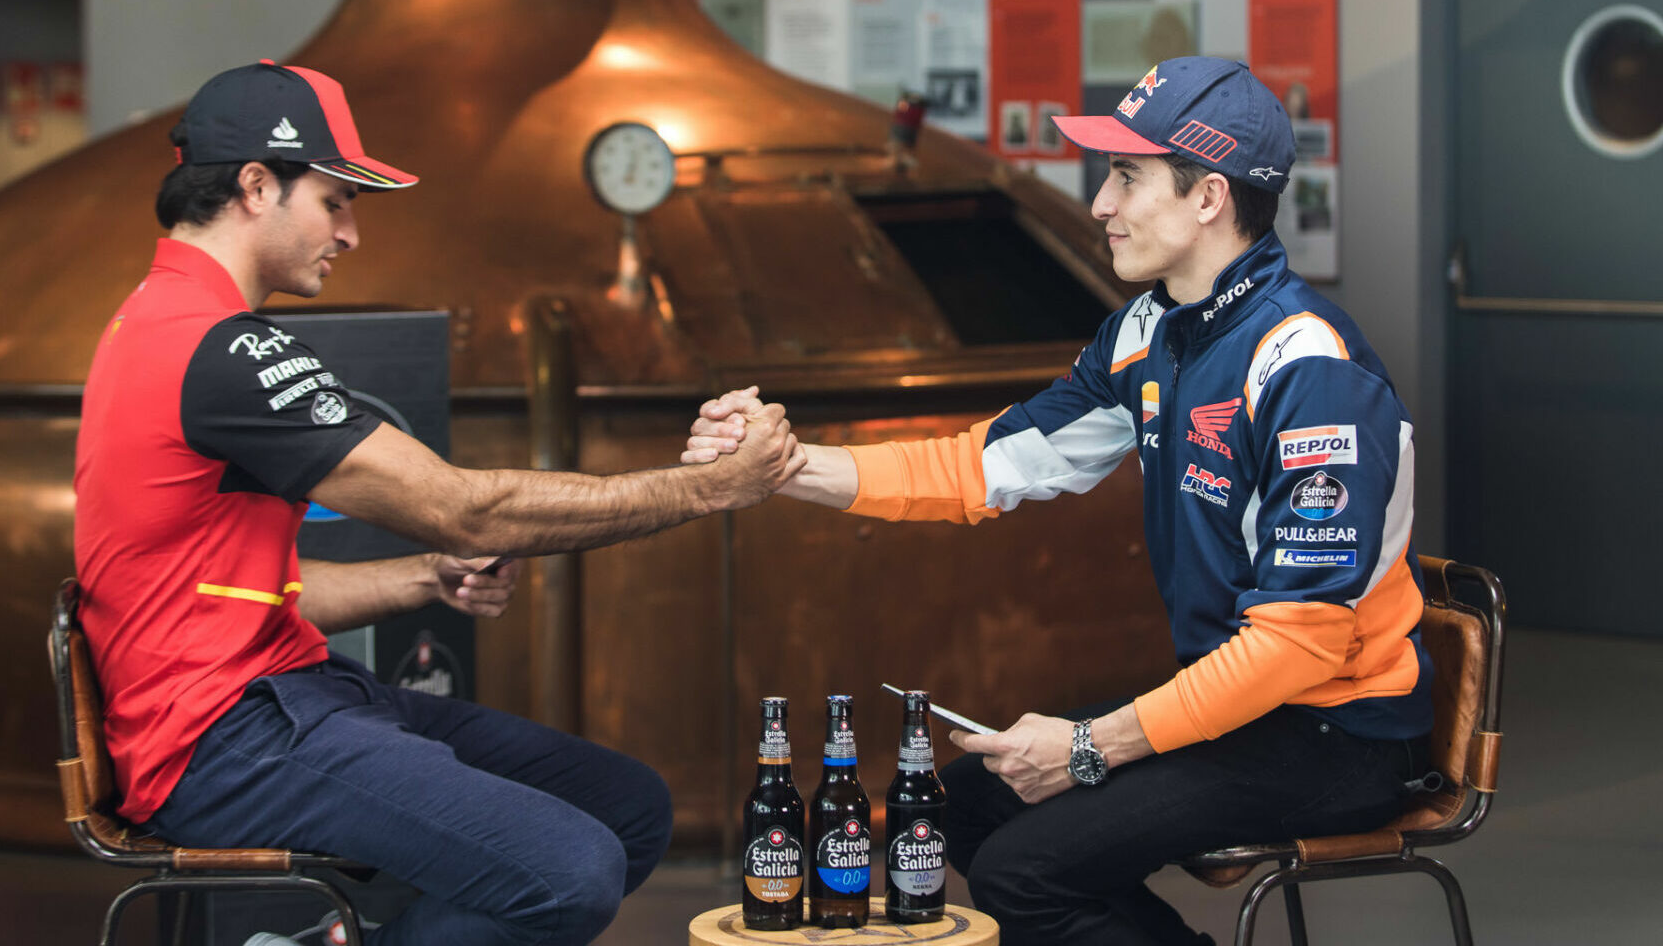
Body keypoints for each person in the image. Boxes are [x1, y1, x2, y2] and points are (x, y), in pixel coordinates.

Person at [684, 57, 1432, 945]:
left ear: (1209, 198)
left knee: (1024, 872)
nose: (1101, 206)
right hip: (1241, 708)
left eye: (1126, 177)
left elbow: (1294, 647)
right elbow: (984, 468)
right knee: (963, 806)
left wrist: (1092, 745)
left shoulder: (1309, 369)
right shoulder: (1151, 331)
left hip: (1335, 734)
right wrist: (787, 466)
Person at [73, 60, 802, 946]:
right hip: (222, 739)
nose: (350, 235)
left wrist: (425, 578)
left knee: (627, 809)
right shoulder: (216, 350)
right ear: (257, 186)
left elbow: (242, 589)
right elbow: (467, 510)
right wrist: (708, 487)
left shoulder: (158, 324)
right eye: (335, 202)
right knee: (573, 872)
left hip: (281, 695)